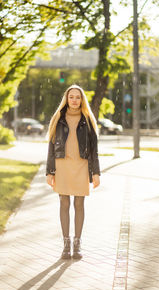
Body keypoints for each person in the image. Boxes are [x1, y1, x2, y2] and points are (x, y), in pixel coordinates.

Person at [46, 84, 100, 259]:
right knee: (64, 203)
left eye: (78, 97)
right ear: (66, 99)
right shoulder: (58, 118)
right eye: (71, 97)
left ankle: (77, 245)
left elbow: (93, 149)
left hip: (81, 165)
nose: (74, 100)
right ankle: (65, 245)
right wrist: (50, 171)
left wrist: (96, 172)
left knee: (79, 204)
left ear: (81, 99)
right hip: (62, 165)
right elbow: (51, 146)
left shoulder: (88, 119)